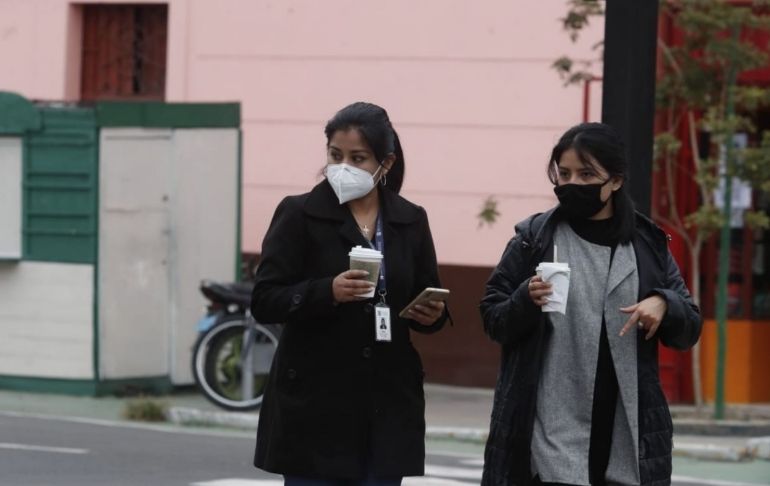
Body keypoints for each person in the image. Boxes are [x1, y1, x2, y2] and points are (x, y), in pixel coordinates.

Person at [479, 123, 702, 486]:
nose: (572, 184)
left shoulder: (647, 246)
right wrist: (525, 299)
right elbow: (492, 315)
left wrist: (665, 304)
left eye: (586, 174)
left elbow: (689, 326)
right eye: (564, 174)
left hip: (624, 432)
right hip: (548, 432)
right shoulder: (534, 239)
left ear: (615, 181)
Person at [251, 102, 448, 486]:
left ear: (385, 163)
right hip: (315, 401)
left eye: (358, 158)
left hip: (387, 399)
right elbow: (265, 299)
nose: (343, 167)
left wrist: (432, 314)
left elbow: (428, 291)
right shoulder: (299, 213)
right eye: (335, 155)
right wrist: (328, 291)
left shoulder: (410, 219)